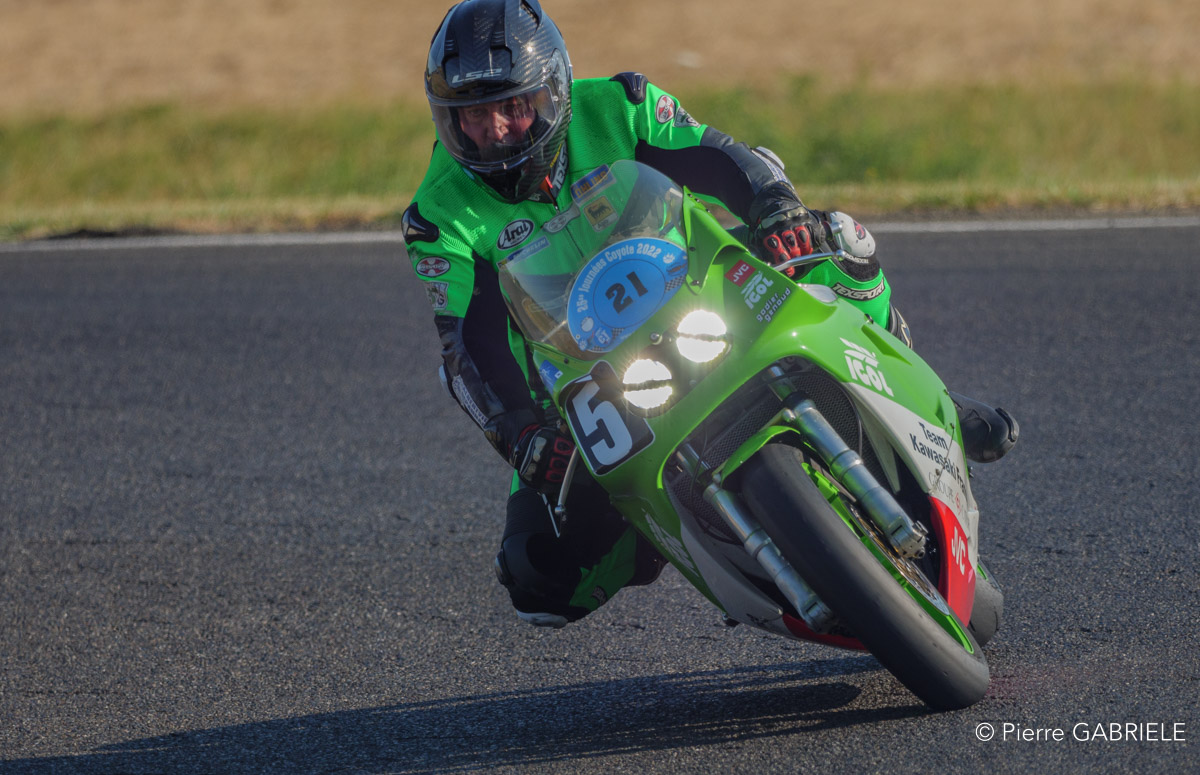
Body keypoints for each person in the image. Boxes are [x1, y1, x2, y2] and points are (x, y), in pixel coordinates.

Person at [403, 0, 1017, 628]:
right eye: (473, 115)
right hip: (582, 383)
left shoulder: (619, 103)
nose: (495, 131)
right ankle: (670, 529)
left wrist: (776, 207)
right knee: (538, 582)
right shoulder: (436, 215)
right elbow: (468, 346)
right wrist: (522, 436)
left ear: (553, 91)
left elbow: (721, 156)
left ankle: (925, 395)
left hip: (704, 287)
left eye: (513, 106)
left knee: (838, 239)